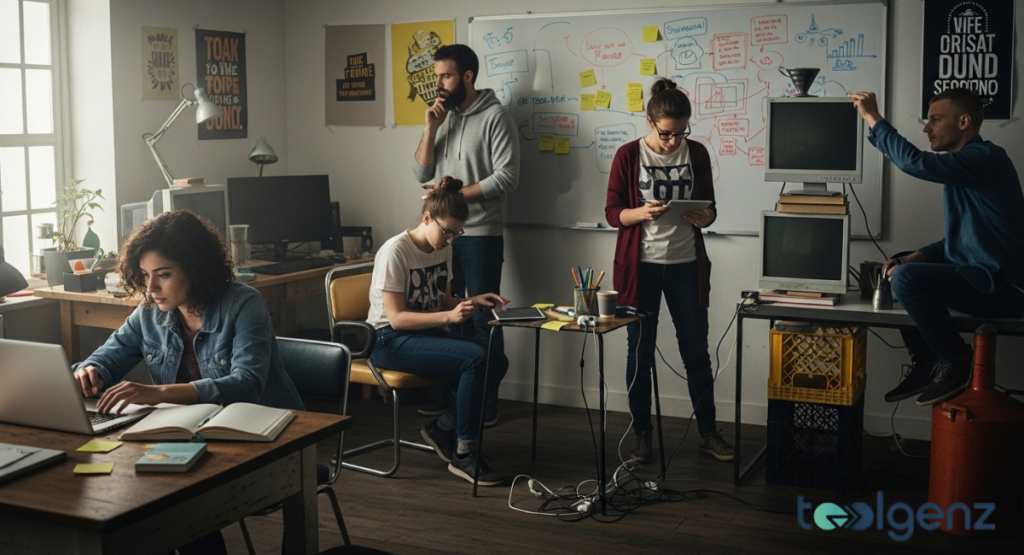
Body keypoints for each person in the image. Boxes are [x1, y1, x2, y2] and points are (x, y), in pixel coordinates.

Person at [71, 210, 303, 555]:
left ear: (195, 268)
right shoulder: (150, 311)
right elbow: (107, 357)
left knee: (166, 500)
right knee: (141, 497)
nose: (151, 288)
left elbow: (246, 385)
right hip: (187, 437)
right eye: (146, 275)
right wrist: (88, 371)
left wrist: (156, 393)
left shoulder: (243, 304)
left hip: (260, 435)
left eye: (163, 275)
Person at [848, 88, 1024, 406]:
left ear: (964, 122)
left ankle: (955, 360)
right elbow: (963, 242)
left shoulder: (986, 159)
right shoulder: (966, 170)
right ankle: (928, 361)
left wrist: (873, 117)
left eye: (935, 119)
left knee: (907, 279)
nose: (927, 128)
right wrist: (914, 256)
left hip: (1005, 289)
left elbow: (915, 163)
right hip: (983, 279)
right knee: (901, 268)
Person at [605, 78, 733, 464]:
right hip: (639, 268)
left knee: (696, 352)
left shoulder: (697, 153)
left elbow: (710, 206)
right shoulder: (628, 155)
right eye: (666, 134)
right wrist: (641, 213)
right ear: (649, 121)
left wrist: (706, 215)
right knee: (639, 354)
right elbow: (613, 213)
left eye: (681, 133)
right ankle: (643, 435)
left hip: (686, 266)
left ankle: (708, 432)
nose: (674, 142)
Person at [367, 176, 510, 486]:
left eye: (457, 233)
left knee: (496, 360)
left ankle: (443, 428)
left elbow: (442, 301)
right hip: (388, 341)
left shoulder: (442, 248)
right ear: (427, 218)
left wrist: (472, 300)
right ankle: (464, 452)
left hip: (422, 335)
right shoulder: (396, 251)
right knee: (475, 359)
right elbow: (396, 320)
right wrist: (449, 315)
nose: (451, 240)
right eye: (447, 232)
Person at [412, 44, 520, 425]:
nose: (439, 84)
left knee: (482, 319)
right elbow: (420, 175)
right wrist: (430, 127)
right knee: (445, 313)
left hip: (480, 235)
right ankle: (454, 397)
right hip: (440, 235)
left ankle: (484, 403)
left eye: (446, 76)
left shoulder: (495, 117)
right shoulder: (442, 118)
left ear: (468, 77)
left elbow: (507, 177)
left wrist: (453, 196)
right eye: (437, 76)